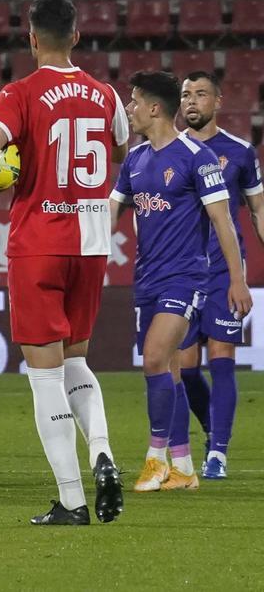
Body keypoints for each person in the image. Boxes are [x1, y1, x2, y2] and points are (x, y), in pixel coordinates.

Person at [0, 0, 127, 525]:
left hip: (40, 245)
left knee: (45, 378)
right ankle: (102, 452)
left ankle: (72, 500)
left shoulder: (18, 94)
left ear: (31, 38)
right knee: (76, 362)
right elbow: (118, 151)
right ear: (76, 36)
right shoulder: (105, 93)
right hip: (92, 246)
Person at [110, 71, 251, 494]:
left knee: (154, 358)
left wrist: (237, 281)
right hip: (146, 279)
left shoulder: (197, 156)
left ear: (154, 108)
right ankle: (184, 467)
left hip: (187, 278)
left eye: (134, 102)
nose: (129, 109)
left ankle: (154, 459)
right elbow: (108, 212)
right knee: (168, 371)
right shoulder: (135, 160)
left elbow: (223, 222)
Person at [175, 71, 264, 480]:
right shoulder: (166, 150)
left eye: (201, 94)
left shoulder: (241, 152)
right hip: (180, 272)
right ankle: (212, 429)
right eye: (186, 95)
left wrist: (240, 276)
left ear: (218, 101)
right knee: (185, 366)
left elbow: (257, 208)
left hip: (224, 272)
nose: (192, 101)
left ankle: (219, 454)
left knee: (223, 357)